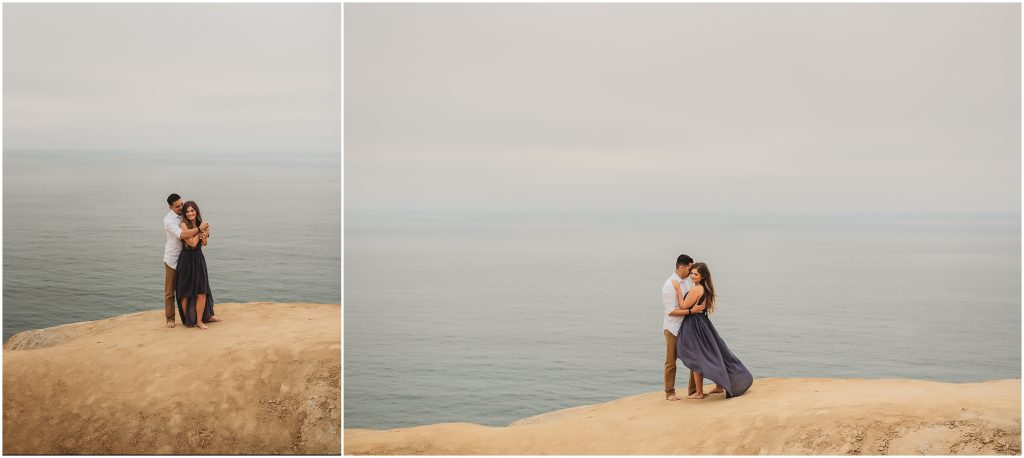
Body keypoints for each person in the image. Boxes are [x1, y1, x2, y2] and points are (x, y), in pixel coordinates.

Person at [671, 262, 752, 399]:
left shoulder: (696, 289)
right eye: (692, 273)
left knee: (696, 358)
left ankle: (699, 393)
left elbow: (684, 306)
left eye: (696, 274)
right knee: (715, 353)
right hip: (703, 323)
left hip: (694, 325)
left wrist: (678, 290)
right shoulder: (706, 288)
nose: (693, 276)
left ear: (702, 276)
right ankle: (719, 387)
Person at [163, 194, 208, 328]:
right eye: (177, 206)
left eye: (181, 204)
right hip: (173, 258)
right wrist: (200, 229)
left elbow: (202, 237)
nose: (181, 207)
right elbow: (183, 235)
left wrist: (204, 232)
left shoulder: (185, 215)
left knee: (195, 289)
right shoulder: (168, 220)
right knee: (170, 291)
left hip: (188, 258)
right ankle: (170, 318)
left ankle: (200, 317)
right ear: (170, 207)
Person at [174, 200, 221, 329]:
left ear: (196, 211)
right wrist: (200, 231)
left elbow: (204, 243)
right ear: (184, 213)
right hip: (186, 260)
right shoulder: (183, 225)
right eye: (187, 211)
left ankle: (200, 320)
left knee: (202, 290)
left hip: (198, 258)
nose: (190, 213)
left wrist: (204, 236)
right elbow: (192, 243)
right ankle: (189, 321)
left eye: (192, 210)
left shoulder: (202, 223)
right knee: (186, 291)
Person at [662, 254, 699, 401]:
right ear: (682, 267)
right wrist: (691, 311)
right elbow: (671, 311)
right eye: (690, 268)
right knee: (671, 361)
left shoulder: (686, 283)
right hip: (672, 328)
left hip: (686, 327)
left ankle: (693, 390)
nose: (691, 272)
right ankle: (669, 392)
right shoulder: (669, 285)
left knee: (694, 358)